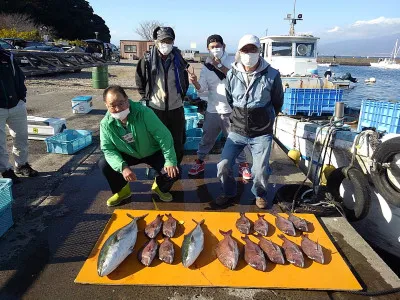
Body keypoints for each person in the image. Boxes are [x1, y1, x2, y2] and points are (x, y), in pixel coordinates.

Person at [216, 35, 283, 209]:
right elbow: (230, 99)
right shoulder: (232, 74)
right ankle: (229, 192)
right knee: (223, 165)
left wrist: (265, 119)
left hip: (261, 133)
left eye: (253, 49)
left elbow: (277, 102)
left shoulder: (273, 75)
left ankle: (259, 194)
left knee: (260, 171)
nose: (249, 53)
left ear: (259, 51)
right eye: (245, 50)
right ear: (239, 52)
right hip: (237, 130)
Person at [99, 85, 179, 206]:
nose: (118, 109)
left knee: (173, 171)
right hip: (128, 154)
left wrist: (170, 161)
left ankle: (159, 187)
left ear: (127, 99)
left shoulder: (144, 113)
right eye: (112, 106)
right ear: (106, 105)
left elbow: (163, 136)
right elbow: (108, 149)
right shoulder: (105, 124)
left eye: (121, 103)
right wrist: (123, 167)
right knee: (104, 164)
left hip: (153, 152)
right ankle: (122, 191)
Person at [187, 34, 251, 179]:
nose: (215, 49)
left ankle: (243, 165)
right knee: (207, 138)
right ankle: (200, 161)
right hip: (213, 109)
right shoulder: (206, 66)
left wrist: (219, 65)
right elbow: (202, 89)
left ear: (224, 46)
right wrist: (195, 82)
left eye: (218, 46)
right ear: (208, 49)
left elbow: (237, 79)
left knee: (236, 138)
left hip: (232, 109)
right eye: (212, 47)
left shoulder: (234, 61)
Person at [135, 26, 189, 167]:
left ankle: (175, 167)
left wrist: (179, 97)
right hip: (155, 108)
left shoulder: (178, 59)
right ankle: (160, 168)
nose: (166, 44)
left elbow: (185, 81)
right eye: (163, 41)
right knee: (156, 141)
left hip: (176, 107)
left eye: (169, 41)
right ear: (156, 42)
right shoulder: (146, 59)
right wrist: (148, 97)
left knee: (178, 140)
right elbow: (140, 80)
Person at [0, 48, 38, 183]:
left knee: (21, 137)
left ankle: (21, 165)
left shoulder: (7, 56)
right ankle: (5, 170)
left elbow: (19, 77)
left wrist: (22, 97)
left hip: (16, 104)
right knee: (0, 143)